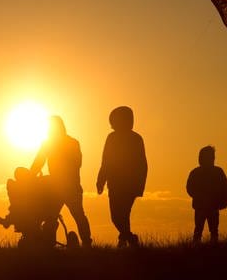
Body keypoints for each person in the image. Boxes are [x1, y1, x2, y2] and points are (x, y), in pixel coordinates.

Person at [30, 115, 92, 247]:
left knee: (75, 215)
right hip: (58, 186)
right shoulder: (53, 143)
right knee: (52, 216)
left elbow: (77, 163)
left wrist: (31, 175)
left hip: (69, 186)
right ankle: (49, 244)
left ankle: (86, 243)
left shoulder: (71, 143)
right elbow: (39, 161)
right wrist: (29, 175)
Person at [96, 106, 148, 247]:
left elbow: (142, 164)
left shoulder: (136, 139)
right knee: (117, 216)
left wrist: (140, 185)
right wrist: (100, 180)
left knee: (122, 214)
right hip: (114, 184)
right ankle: (127, 238)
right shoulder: (112, 138)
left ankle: (126, 239)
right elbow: (106, 160)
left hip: (130, 185)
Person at [186, 146, 227, 243]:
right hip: (202, 206)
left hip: (212, 206)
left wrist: (223, 202)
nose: (212, 158)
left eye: (212, 156)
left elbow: (225, 188)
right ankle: (196, 249)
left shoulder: (217, 172)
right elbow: (189, 188)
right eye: (211, 156)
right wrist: (198, 196)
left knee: (212, 231)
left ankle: (210, 249)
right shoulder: (196, 172)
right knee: (199, 230)